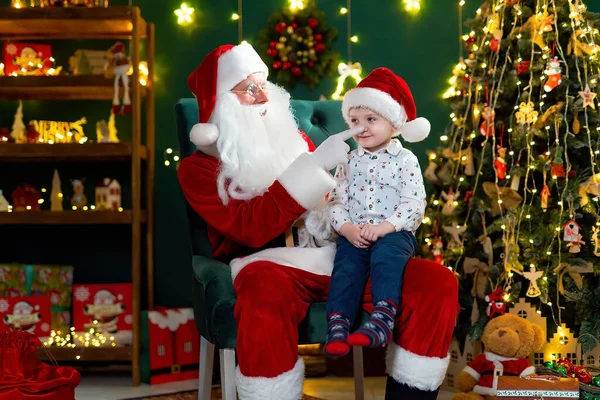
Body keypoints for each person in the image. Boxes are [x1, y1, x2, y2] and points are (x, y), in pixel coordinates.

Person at [178, 43, 458, 400]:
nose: (263, 96)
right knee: (262, 294)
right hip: (270, 264)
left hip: (341, 254)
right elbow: (248, 228)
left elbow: (347, 199)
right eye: (248, 89)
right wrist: (312, 169)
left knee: (436, 283)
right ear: (222, 106)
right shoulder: (199, 169)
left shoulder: (297, 140)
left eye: (263, 84)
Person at [324, 67, 429, 357]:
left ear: (393, 124)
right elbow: (335, 199)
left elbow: (414, 203)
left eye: (371, 119)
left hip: (393, 232)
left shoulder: (405, 159)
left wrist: (385, 227)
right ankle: (338, 325)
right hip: (355, 232)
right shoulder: (347, 160)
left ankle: (382, 319)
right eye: (355, 121)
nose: (362, 128)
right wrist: (346, 228)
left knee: (386, 258)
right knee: (345, 267)